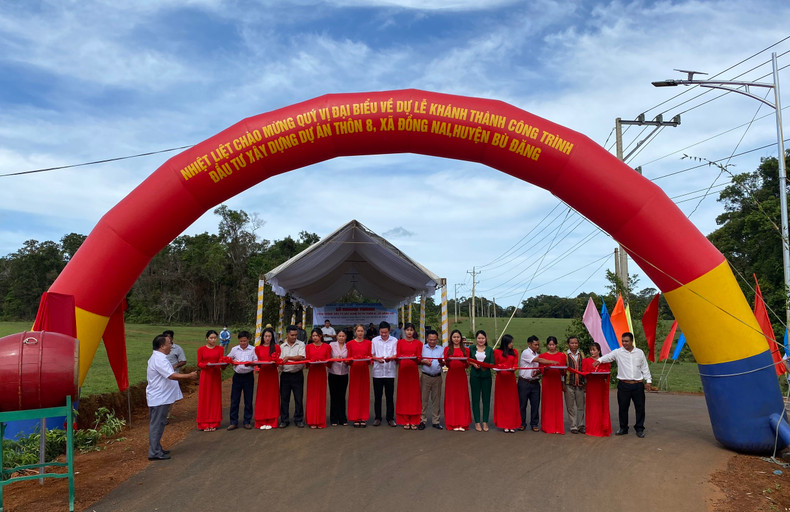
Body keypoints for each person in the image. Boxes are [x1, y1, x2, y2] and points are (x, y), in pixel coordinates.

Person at [146, 335, 197, 461]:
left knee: (159, 423)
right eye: (169, 343)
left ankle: (156, 448)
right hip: (159, 398)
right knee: (157, 424)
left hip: (161, 397)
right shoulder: (159, 359)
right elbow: (171, 376)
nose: (171, 346)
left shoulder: (160, 358)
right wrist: (189, 376)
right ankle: (154, 451)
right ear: (162, 346)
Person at [594, 331, 652, 437]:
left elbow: (645, 367)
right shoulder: (618, 352)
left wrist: (648, 381)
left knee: (640, 408)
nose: (624, 343)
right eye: (623, 341)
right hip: (624, 385)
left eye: (626, 341)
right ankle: (623, 428)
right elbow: (608, 357)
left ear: (632, 341)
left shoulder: (640, 352)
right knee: (623, 407)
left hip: (638, 385)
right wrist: (599, 360)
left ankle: (639, 428)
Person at [518, 336, 554, 432]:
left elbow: (539, 368)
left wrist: (538, 372)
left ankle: (534, 423)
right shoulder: (526, 353)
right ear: (529, 344)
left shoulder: (537, 354)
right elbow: (539, 361)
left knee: (535, 404)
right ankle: (521, 423)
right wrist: (552, 362)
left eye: (538, 344)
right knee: (522, 404)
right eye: (535, 344)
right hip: (524, 382)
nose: (537, 346)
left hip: (535, 383)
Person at [227, 331, 257, 430]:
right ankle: (233, 422)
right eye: (241, 341)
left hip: (248, 376)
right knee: (235, 399)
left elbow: (257, 361)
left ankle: (247, 421)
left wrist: (251, 363)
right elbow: (227, 359)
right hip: (237, 376)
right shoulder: (234, 349)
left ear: (248, 340)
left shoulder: (253, 349)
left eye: (245, 341)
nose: (243, 343)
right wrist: (232, 361)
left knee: (248, 399)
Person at [196, 330, 225, 431]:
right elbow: (199, 363)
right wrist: (205, 365)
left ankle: (214, 422)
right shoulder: (201, 349)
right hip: (206, 375)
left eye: (215, 338)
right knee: (205, 398)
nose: (213, 340)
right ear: (206, 338)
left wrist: (223, 363)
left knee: (215, 398)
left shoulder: (220, 349)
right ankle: (204, 423)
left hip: (215, 375)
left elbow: (221, 361)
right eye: (211, 338)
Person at [443, 329, 472, 431]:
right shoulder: (447, 349)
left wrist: (463, 361)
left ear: (461, 339)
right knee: (452, 399)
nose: (456, 339)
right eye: (454, 337)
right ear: (451, 338)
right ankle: (452, 423)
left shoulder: (466, 350)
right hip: (451, 377)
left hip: (461, 377)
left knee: (461, 399)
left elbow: (467, 365)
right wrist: (446, 361)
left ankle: (462, 423)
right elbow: (446, 364)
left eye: (458, 337)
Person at [395, 322, 422, 429]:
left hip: (413, 372)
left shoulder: (418, 344)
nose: (409, 332)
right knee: (404, 395)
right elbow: (397, 358)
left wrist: (415, 358)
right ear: (404, 331)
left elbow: (419, 359)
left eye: (411, 330)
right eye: (407, 330)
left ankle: (414, 419)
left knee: (414, 395)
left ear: (414, 331)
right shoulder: (399, 343)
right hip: (403, 372)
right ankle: (405, 420)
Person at [279, 325, 306, 428]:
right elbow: (280, 360)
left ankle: (298, 419)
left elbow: (301, 357)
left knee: (298, 398)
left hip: (297, 374)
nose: (294, 337)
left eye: (296, 335)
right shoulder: (282, 346)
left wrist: (289, 358)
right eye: (292, 335)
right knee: (284, 398)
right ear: (287, 334)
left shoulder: (301, 344)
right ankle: (284, 420)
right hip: (285, 375)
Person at [371, 321, 398, 427]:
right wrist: (377, 359)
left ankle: (390, 418)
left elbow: (397, 354)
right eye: (381, 332)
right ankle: (377, 418)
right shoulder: (374, 340)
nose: (383, 334)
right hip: (377, 372)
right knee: (377, 396)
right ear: (379, 331)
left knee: (389, 396)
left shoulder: (395, 340)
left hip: (390, 372)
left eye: (385, 332)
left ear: (389, 331)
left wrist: (391, 358)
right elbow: (371, 355)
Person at [254, 327, 281, 429]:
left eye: (269, 336)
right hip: (263, 375)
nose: (267, 338)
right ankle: (261, 420)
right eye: (266, 336)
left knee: (272, 397)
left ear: (272, 337)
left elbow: (279, 361)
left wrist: (275, 362)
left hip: (272, 375)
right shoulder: (258, 348)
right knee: (262, 397)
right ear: (262, 337)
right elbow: (256, 362)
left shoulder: (276, 347)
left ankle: (272, 420)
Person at [582, 342, 612, 437]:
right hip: (591, 386)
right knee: (592, 406)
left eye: (594, 350)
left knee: (600, 406)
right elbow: (584, 372)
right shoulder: (586, 361)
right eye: (591, 350)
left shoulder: (604, 361)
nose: (592, 352)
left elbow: (608, 373)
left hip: (600, 386)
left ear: (599, 351)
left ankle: (602, 427)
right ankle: (591, 427)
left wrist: (601, 371)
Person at [539, 336, 567, 434]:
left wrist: (561, 370)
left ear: (556, 345)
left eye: (553, 345)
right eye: (550, 345)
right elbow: (541, 369)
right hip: (547, 381)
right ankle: (548, 426)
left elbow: (563, 371)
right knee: (547, 403)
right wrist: (545, 369)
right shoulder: (542, 356)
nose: (552, 347)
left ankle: (557, 426)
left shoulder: (562, 355)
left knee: (557, 403)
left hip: (556, 381)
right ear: (547, 345)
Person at [494, 334, 521, 433]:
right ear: (505, 343)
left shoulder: (514, 352)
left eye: (512, 342)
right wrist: (501, 366)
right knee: (502, 402)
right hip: (501, 380)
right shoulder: (497, 352)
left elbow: (515, 364)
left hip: (511, 380)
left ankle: (512, 424)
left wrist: (513, 368)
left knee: (512, 402)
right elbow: (495, 364)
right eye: (510, 342)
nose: (512, 344)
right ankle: (504, 424)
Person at [305, 328, 332, 428]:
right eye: (313, 336)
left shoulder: (327, 347)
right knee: (312, 396)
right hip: (312, 374)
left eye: (317, 335)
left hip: (321, 373)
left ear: (321, 336)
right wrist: (308, 363)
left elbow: (329, 361)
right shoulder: (308, 347)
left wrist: (324, 361)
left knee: (321, 396)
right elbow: (307, 362)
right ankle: (312, 420)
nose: (315, 338)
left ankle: (320, 421)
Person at [469, 329, 495, 432]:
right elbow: (467, 359)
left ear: (485, 339)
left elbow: (492, 363)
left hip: (486, 377)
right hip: (475, 376)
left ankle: (485, 421)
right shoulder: (471, 348)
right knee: (475, 399)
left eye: (482, 338)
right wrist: (473, 364)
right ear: (476, 339)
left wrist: (485, 366)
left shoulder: (489, 349)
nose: (481, 340)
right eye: (479, 338)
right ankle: (477, 422)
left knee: (486, 399)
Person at [347, 324, 372, 428]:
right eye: (358, 331)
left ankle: (363, 417)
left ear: (364, 332)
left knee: (364, 393)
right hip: (355, 371)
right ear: (355, 332)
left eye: (362, 331)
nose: (360, 333)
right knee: (354, 393)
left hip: (364, 370)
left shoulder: (368, 343)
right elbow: (348, 360)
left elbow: (370, 357)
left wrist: (367, 358)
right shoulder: (350, 344)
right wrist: (352, 360)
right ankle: (355, 417)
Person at [419, 329, 444, 430]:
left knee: (436, 400)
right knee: (423, 399)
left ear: (437, 339)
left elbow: (443, 361)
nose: (432, 342)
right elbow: (418, 359)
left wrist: (442, 363)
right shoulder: (422, 348)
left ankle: (436, 421)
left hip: (437, 377)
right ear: (427, 339)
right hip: (425, 376)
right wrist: (424, 361)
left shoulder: (441, 349)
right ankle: (422, 420)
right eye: (430, 339)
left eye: (434, 340)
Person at [564, 336, 586, 434]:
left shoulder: (582, 354)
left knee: (581, 406)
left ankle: (581, 425)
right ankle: (573, 426)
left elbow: (585, 369)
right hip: (569, 383)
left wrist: (585, 382)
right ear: (568, 344)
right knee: (570, 406)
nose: (574, 345)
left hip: (580, 384)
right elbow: (562, 370)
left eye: (576, 343)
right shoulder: (564, 355)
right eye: (572, 343)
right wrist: (562, 383)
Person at [328, 329, 350, 426]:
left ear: (346, 337)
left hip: (344, 373)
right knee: (334, 396)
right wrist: (335, 359)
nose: (341, 338)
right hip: (333, 373)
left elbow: (350, 359)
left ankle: (342, 418)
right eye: (339, 336)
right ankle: (333, 418)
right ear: (336, 336)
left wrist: (346, 361)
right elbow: (327, 358)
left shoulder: (348, 346)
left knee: (342, 396)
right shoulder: (331, 345)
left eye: (343, 336)